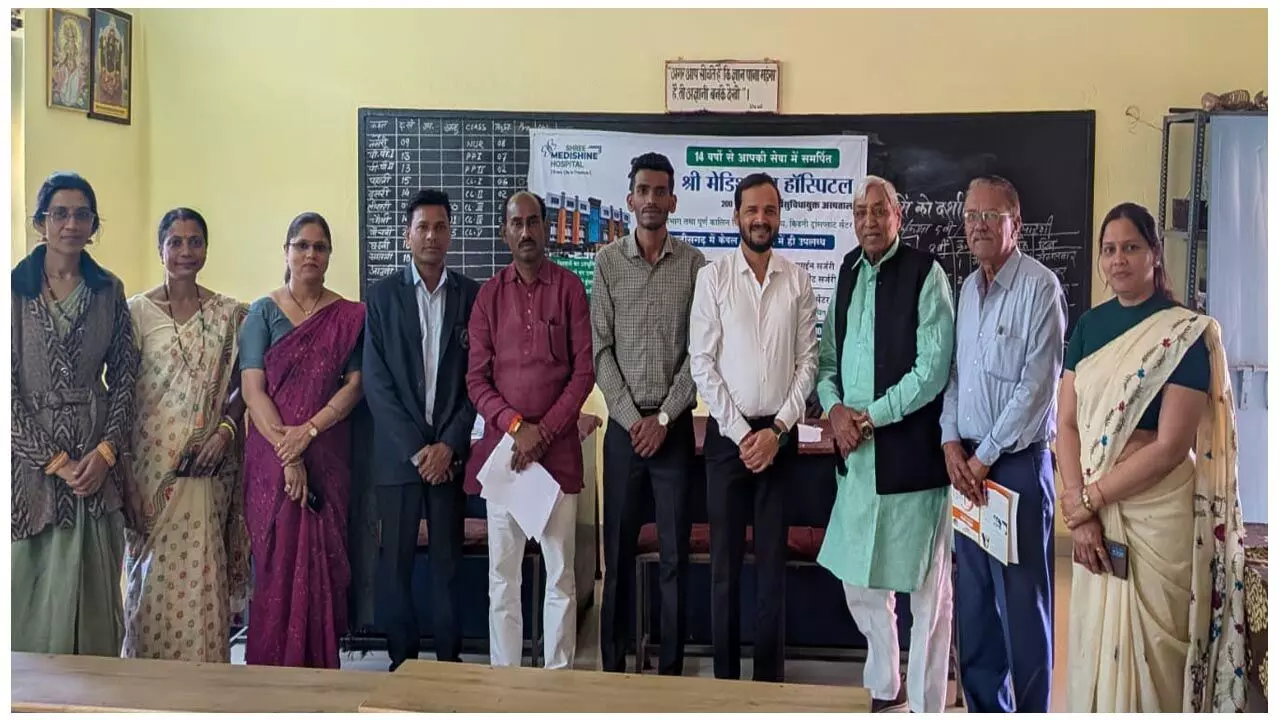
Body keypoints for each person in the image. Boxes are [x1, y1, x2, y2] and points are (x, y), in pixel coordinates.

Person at [1059, 202, 1246, 712]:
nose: (1118, 259)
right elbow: (1067, 423)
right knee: (1097, 646)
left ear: (1155, 255)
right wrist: (1080, 513)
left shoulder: (1183, 334)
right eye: (1109, 250)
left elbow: (1169, 448)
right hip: (1094, 516)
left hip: (1158, 518)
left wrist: (1088, 499)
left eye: (1131, 247)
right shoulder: (1088, 327)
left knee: (1156, 658)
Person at [815, 176, 956, 713]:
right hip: (856, 459)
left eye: (880, 211)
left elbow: (932, 371)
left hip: (912, 457)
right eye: (860, 212)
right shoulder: (848, 272)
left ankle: (924, 703)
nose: (869, 221)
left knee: (927, 592)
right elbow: (827, 359)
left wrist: (869, 418)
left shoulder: (926, 274)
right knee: (860, 582)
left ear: (898, 216)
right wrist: (835, 410)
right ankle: (885, 685)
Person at [940, 175, 1065, 712]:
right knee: (975, 609)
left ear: (1016, 223)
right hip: (966, 466)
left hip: (1013, 468)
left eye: (991, 216)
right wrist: (950, 442)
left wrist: (983, 457)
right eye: (971, 215)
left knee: (1021, 611)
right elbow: (956, 376)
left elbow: (1036, 390)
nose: (978, 226)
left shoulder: (1041, 288)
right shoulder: (967, 290)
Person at [689, 173, 818, 683]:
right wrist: (743, 433)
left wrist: (778, 429)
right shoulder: (714, 278)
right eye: (751, 210)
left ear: (779, 216)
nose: (760, 219)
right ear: (736, 216)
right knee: (723, 568)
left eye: (769, 210)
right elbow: (703, 364)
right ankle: (725, 682)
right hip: (729, 441)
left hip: (779, 439)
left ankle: (769, 684)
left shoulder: (798, 280)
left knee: (771, 568)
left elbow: (808, 363)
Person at [11, 170, 141, 655]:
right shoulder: (13, 290)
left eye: (82, 214)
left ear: (93, 224)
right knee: (29, 599)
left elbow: (126, 376)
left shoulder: (108, 290)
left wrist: (106, 452)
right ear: (40, 222)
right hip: (30, 474)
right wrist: (54, 461)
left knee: (95, 602)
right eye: (60, 214)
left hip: (94, 461)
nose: (71, 224)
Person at [465, 191, 595, 670]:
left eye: (534, 222)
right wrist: (517, 427)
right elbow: (476, 380)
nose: (525, 231)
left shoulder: (570, 289)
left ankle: (558, 681)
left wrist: (543, 433)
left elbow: (584, 373)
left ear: (546, 228)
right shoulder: (488, 297)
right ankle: (507, 680)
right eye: (516, 223)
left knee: (560, 573)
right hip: (506, 458)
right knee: (503, 578)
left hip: (556, 457)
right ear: (505, 232)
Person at [592, 153, 705, 676]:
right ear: (630, 199)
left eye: (661, 191)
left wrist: (662, 420)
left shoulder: (695, 265)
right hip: (623, 430)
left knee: (674, 558)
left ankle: (671, 672)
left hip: (673, 430)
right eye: (644, 190)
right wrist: (629, 416)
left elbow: (700, 354)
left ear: (673, 201)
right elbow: (601, 349)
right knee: (616, 553)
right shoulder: (607, 262)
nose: (652, 200)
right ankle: (613, 666)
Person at [122, 208, 250, 662]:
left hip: (206, 468)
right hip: (151, 469)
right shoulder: (135, 313)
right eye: (175, 242)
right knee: (149, 581)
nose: (185, 251)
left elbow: (244, 383)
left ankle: (204, 685)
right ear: (160, 249)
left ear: (206, 249)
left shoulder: (230, 315)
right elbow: (121, 393)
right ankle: (147, 686)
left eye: (195, 241)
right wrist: (124, 474)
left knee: (202, 574)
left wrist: (226, 430)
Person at [239, 212, 366, 668]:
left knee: (321, 569)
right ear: (287, 252)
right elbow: (252, 390)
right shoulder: (262, 312)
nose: (311, 254)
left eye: (320, 247)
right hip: (272, 462)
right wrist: (288, 454)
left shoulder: (350, 316)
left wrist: (309, 431)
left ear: (329, 255)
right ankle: (271, 679)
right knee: (276, 566)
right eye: (302, 245)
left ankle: (320, 677)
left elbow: (355, 386)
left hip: (327, 453)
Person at [363, 189, 480, 670]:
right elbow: (377, 383)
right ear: (407, 235)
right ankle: (402, 663)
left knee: (448, 566)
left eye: (440, 227)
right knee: (396, 566)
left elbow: (477, 379)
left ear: (450, 234)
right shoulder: (381, 297)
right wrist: (417, 449)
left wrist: (448, 444)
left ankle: (449, 662)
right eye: (423, 227)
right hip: (399, 459)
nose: (432, 235)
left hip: (449, 458)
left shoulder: (471, 296)